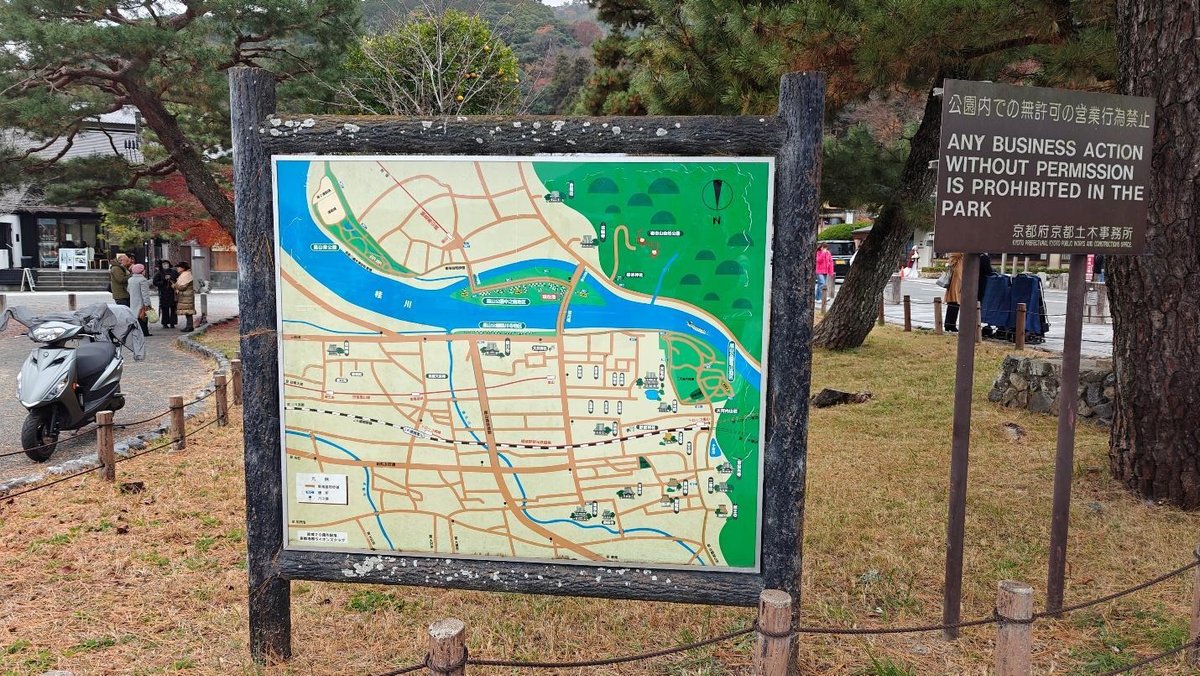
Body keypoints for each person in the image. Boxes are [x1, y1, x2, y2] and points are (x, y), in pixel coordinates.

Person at [127, 263, 154, 337]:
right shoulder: (142, 280)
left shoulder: (130, 279)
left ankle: (137, 331)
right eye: (143, 270)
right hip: (141, 302)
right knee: (143, 317)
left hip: (133, 300)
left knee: (136, 316)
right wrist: (147, 304)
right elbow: (145, 293)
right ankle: (144, 332)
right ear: (141, 271)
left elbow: (128, 289)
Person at [152, 260, 178, 329]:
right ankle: (165, 323)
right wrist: (163, 281)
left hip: (173, 292)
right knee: (164, 308)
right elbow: (155, 282)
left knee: (173, 308)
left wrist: (172, 280)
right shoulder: (159, 273)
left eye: (167, 264)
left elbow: (177, 280)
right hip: (163, 292)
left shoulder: (173, 272)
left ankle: (173, 323)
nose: (166, 265)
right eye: (164, 264)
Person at [174, 261, 196, 333]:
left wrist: (175, 285)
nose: (177, 269)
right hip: (185, 296)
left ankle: (189, 327)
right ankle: (189, 326)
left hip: (187, 296)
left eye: (179, 267)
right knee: (187, 312)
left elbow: (182, 287)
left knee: (188, 312)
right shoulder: (184, 274)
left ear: (183, 268)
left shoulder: (186, 275)